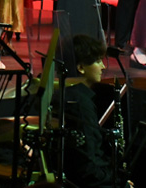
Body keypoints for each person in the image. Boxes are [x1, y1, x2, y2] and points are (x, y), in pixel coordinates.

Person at [62, 34, 114, 188]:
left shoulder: (69, 94)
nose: (103, 67)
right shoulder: (81, 104)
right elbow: (88, 165)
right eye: (98, 62)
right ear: (80, 68)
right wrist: (116, 181)